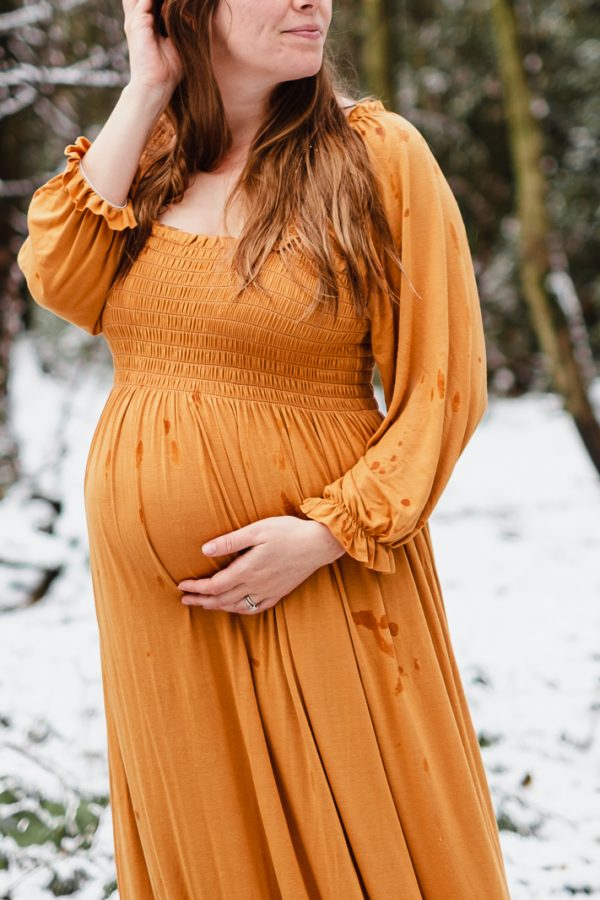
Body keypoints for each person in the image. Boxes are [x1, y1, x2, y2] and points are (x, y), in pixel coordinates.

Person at [17, 0, 512, 896]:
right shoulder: (156, 158)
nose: (309, 0)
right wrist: (146, 85)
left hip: (324, 581)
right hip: (160, 618)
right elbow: (60, 275)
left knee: (362, 839)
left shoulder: (376, 154)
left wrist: (322, 536)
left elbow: (443, 390)